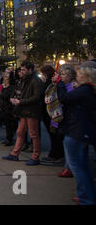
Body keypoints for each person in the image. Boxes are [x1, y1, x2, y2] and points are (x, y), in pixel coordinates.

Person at [55, 62, 96, 205]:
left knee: (77, 167)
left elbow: (64, 98)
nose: (76, 76)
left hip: (76, 131)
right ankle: (88, 194)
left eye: (78, 74)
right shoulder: (88, 90)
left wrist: (59, 83)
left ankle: (86, 198)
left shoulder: (84, 90)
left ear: (85, 76)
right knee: (83, 166)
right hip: (81, 131)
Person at [3, 61, 44, 165]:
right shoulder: (24, 80)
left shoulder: (36, 81)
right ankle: (15, 154)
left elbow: (37, 97)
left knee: (33, 134)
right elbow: (19, 91)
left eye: (24, 69)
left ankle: (35, 157)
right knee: (20, 132)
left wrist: (21, 101)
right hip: (24, 111)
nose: (21, 71)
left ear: (30, 70)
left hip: (31, 111)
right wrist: (14, 98)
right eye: (21, 69)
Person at [40, 65, 65, 164]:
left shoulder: (51, 84)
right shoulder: (49, 83)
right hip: (49, 112)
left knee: (54, 134)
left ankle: (56, 154)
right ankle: (55, 153)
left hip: (51, 113)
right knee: (53, 134)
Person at [0, 73, 16, 146]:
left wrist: (0, 92)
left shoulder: (11, 87)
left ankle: (10, 139)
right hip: (4, 108)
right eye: (4, 78)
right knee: (7, 125)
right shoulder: (5, 87)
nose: (5, 79)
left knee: (11, 125)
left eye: (6, 78)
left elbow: (6, 96)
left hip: (10, 108)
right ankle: (8, 138)